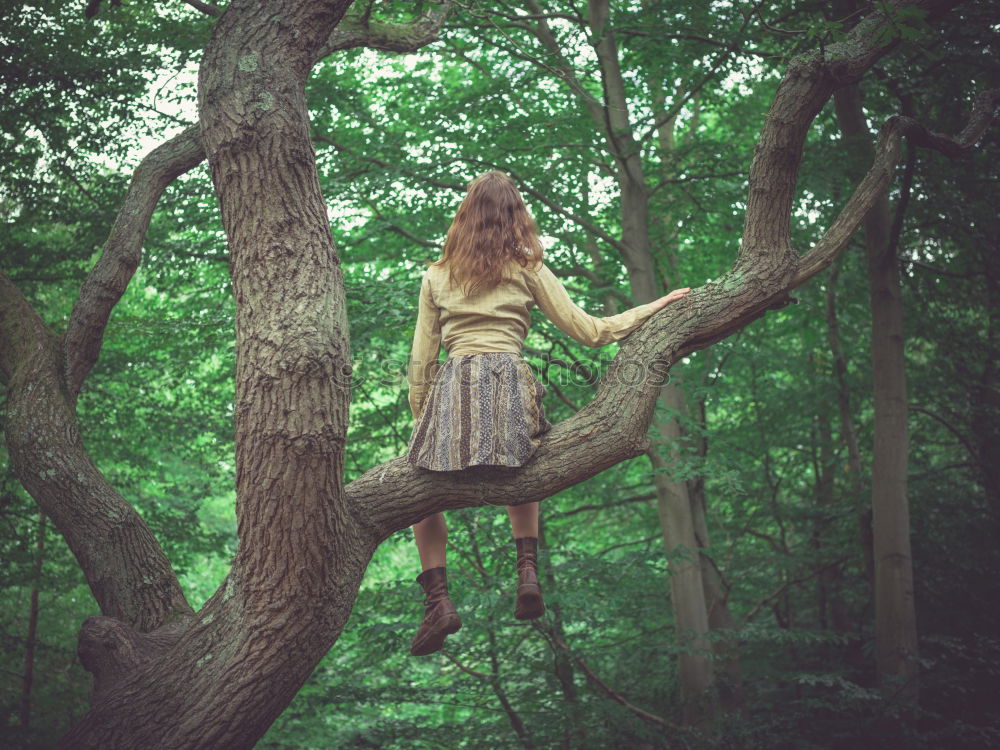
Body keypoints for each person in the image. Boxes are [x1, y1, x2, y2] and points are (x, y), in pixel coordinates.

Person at [404, 171, 691, 656]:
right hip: (509, 384)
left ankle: (439, 601)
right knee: (525, 458)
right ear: (517, 216)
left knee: (419, 496)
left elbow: (422, 358)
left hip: (454, 388)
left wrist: (424, 419)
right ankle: (527, 572)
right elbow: (591, 331)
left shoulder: (436, 275)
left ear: (463, 217)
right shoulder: (527, 268)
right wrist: (657, 306)